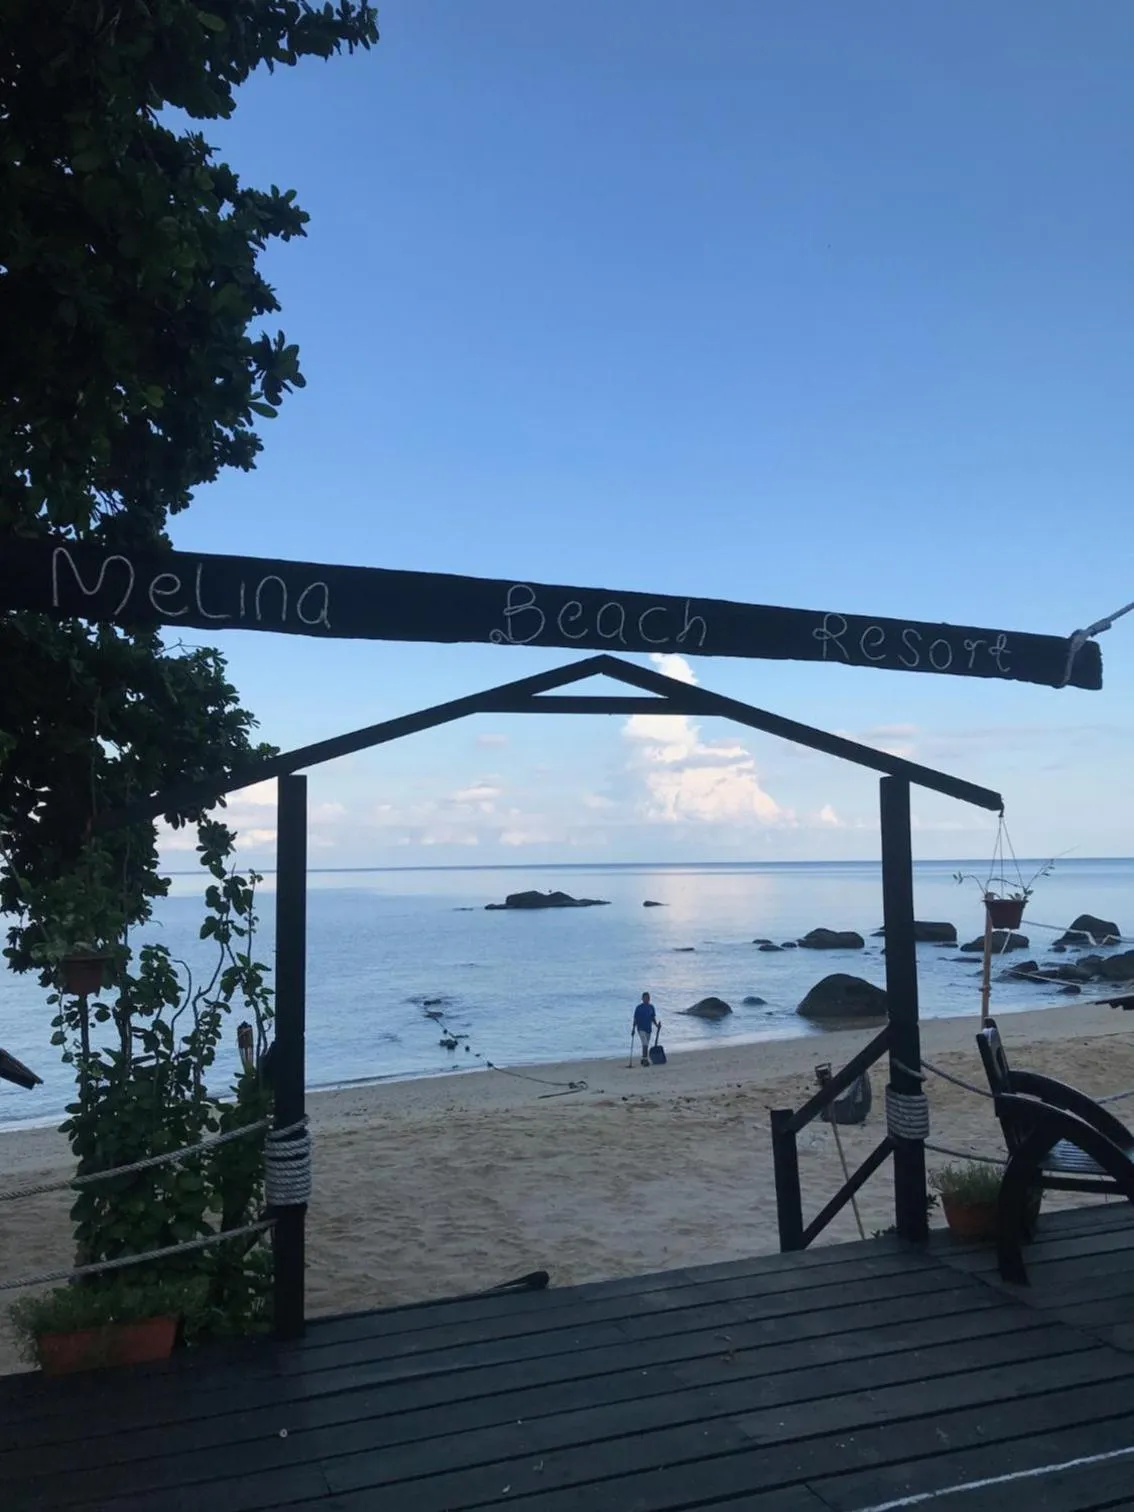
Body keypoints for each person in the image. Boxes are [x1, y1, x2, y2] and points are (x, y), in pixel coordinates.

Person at [632, 992, 660, 1067]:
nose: (647, 999)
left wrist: (656, 1025)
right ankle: (645, 1059)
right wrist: (633, 1029)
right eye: (645, 998)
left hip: (648, 1029)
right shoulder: (638, 1008)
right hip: (641, 1028)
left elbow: (652, 1018)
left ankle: (643, 1059)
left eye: (648, 998)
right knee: (645, 1044)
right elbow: (635, 1019)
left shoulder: (651, 1007)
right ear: (642, 999)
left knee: (645, 1045)